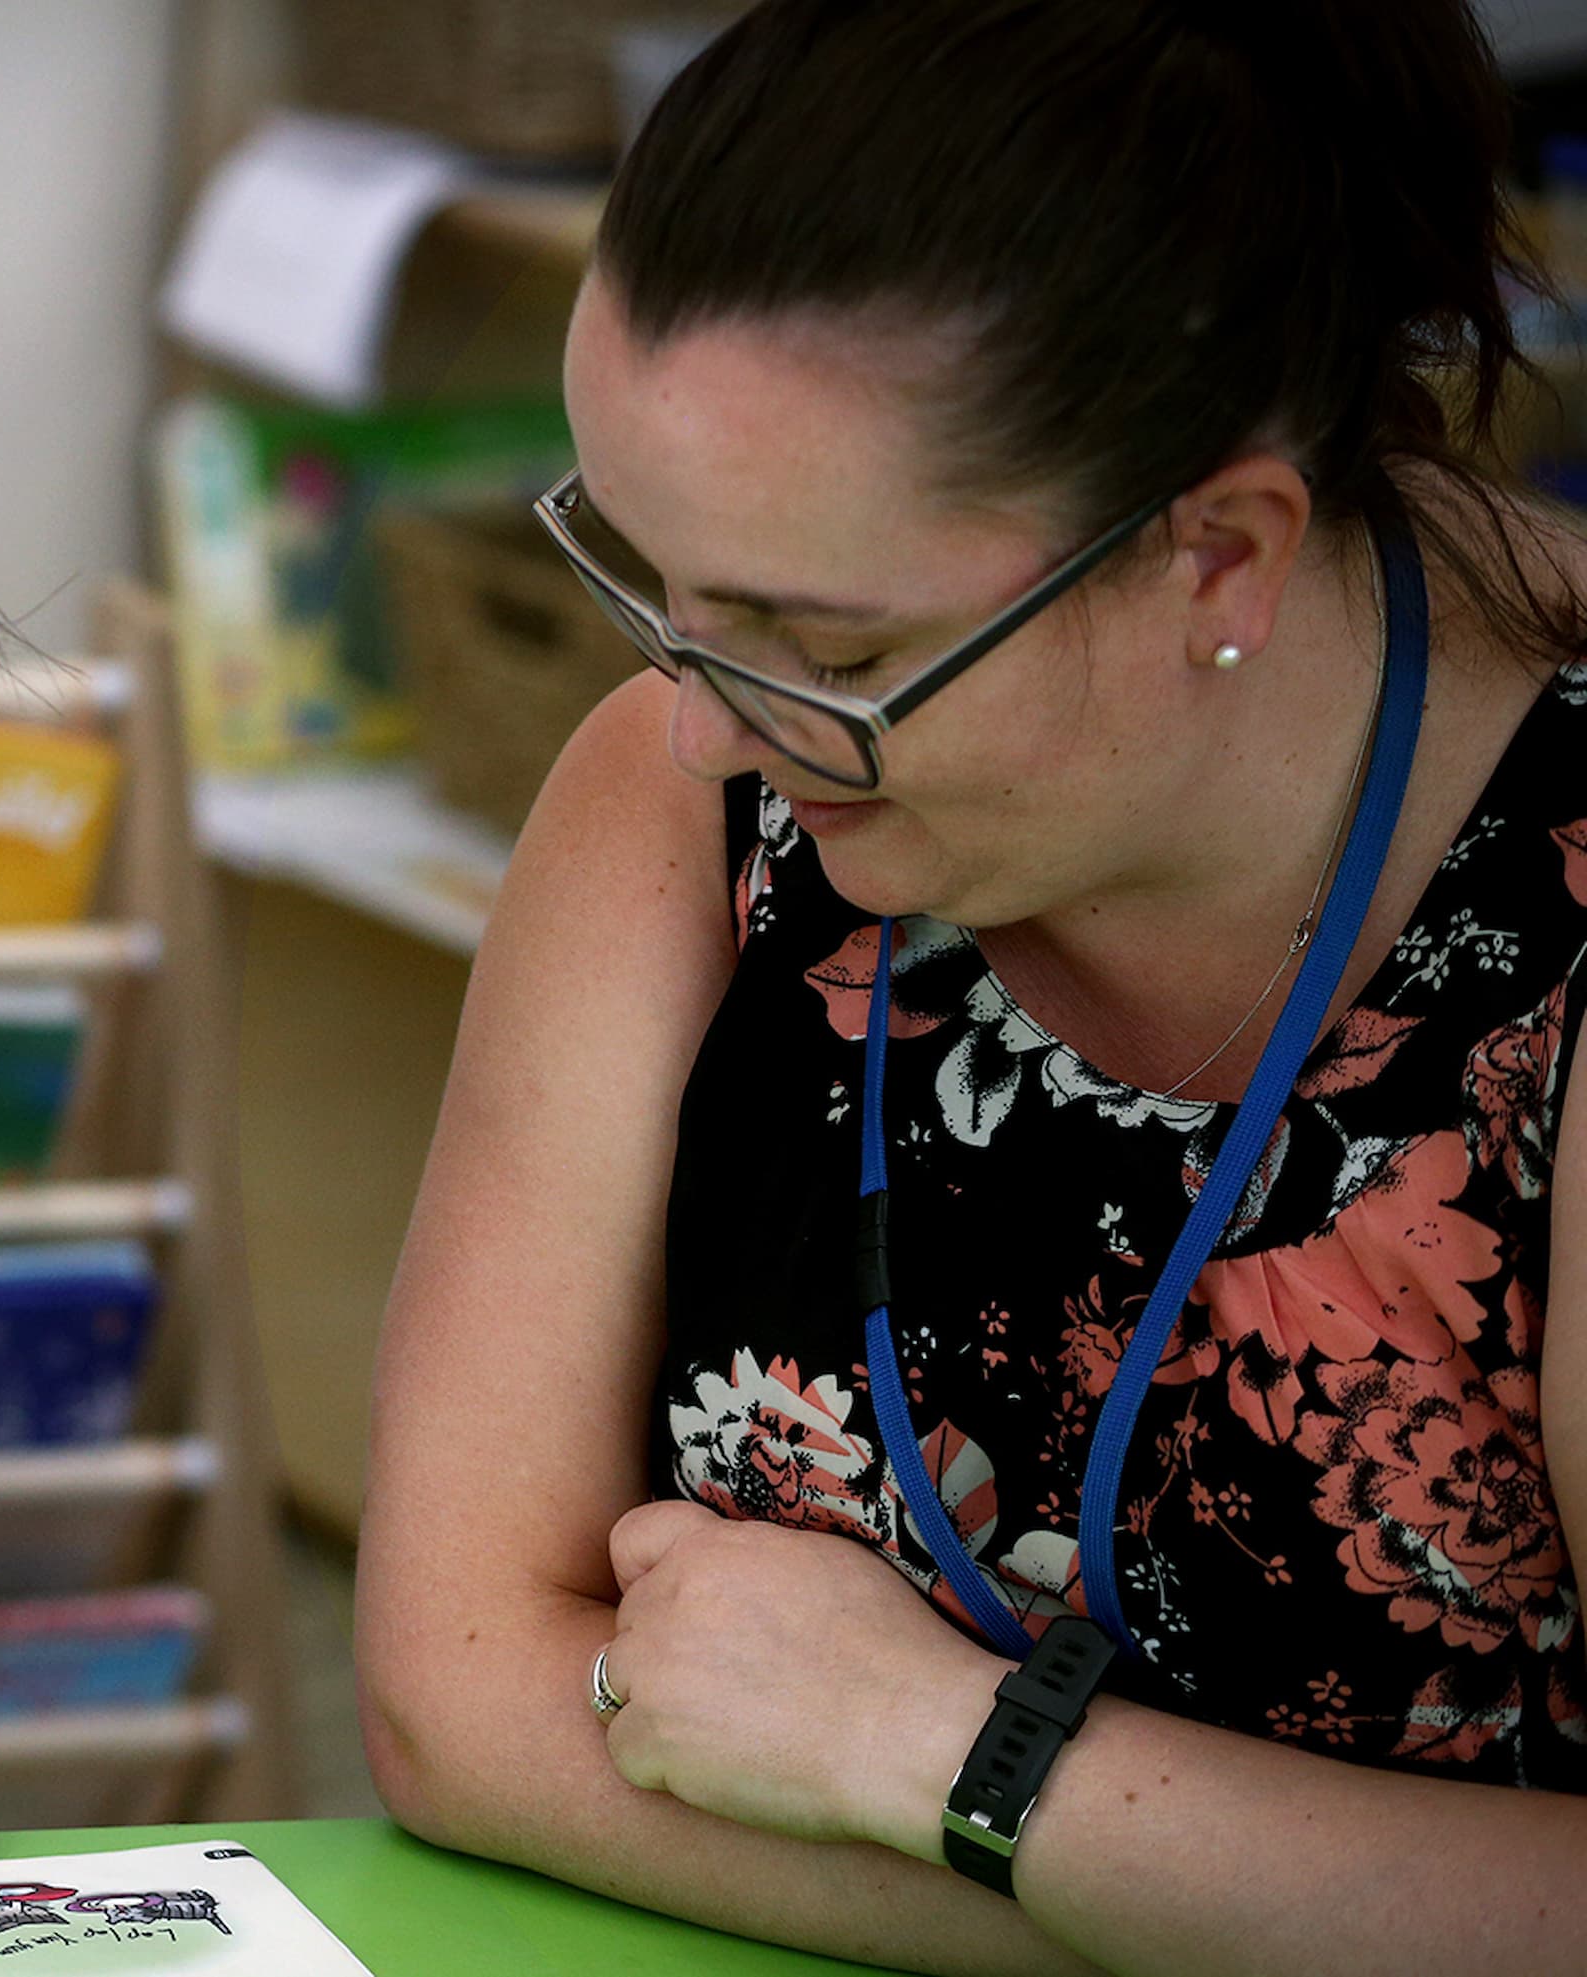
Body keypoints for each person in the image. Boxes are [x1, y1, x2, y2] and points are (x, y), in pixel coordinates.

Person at [357, 3, 1584, 1968]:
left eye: (813, 637)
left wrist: (953, 1759)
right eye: (651, 574)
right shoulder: (698, 804)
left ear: (1217, 555)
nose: (695, 727)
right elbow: (461, 1691)